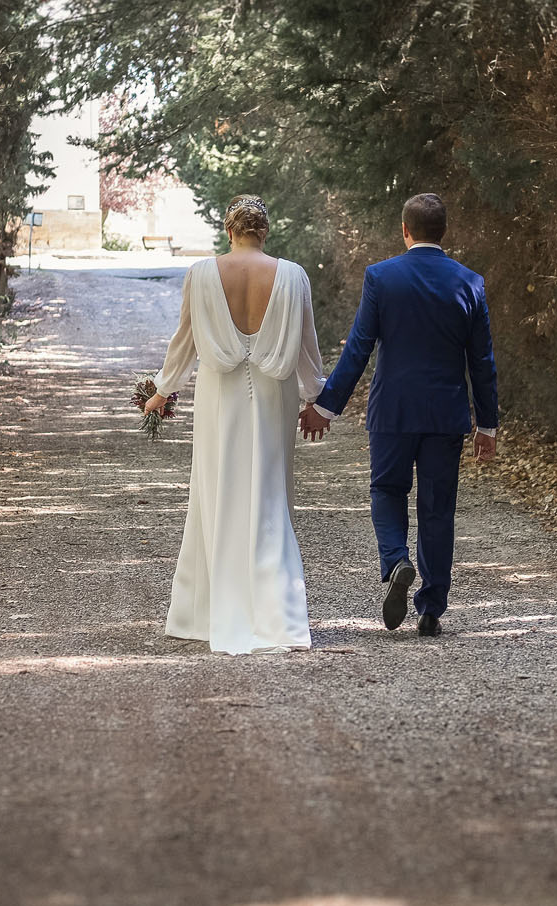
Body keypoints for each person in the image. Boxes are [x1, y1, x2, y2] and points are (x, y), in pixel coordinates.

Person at [300, 192, 498, 637]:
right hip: (446, 415)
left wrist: (324, 406)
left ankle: (396, 562)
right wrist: (487, 424)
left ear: (404, 230)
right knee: (437, 508)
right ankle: (431, 609)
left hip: (392, 410)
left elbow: (358, 348)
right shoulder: (470, 283)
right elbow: (481, 361)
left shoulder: (382, 277)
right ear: (442, 232)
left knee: (387, 490)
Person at [144, 195, 327, 653]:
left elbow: (184, 340)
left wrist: (162, 392)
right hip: (274, 395)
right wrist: (316, 400)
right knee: (269, 494)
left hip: (220, 395)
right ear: (264, 231)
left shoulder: (202, 274)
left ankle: (206, 613)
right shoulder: (292, 276)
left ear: (229, 231)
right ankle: (276, 614)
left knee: (217, 492)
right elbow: (307, 346)